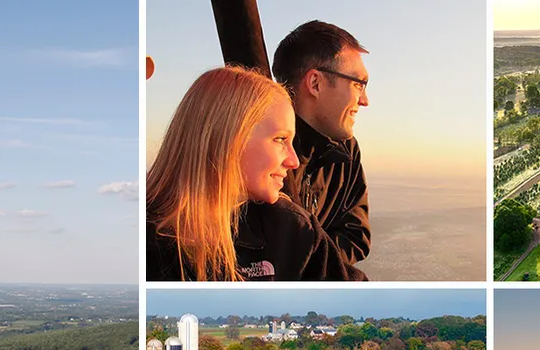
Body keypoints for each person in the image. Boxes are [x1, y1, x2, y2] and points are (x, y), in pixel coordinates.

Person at [146, 66, 365, 281]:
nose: (293, 161)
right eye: (280, 139)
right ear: (229, 139)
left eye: (292, 142)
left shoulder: (292, 231)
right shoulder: (147, 245)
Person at [271, 20, 372, 266]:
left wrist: (309, 265)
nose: (365, 100)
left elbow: (356, 237)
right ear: (315, 83)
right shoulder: (255, 153)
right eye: (358, 83)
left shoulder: (346, 150)